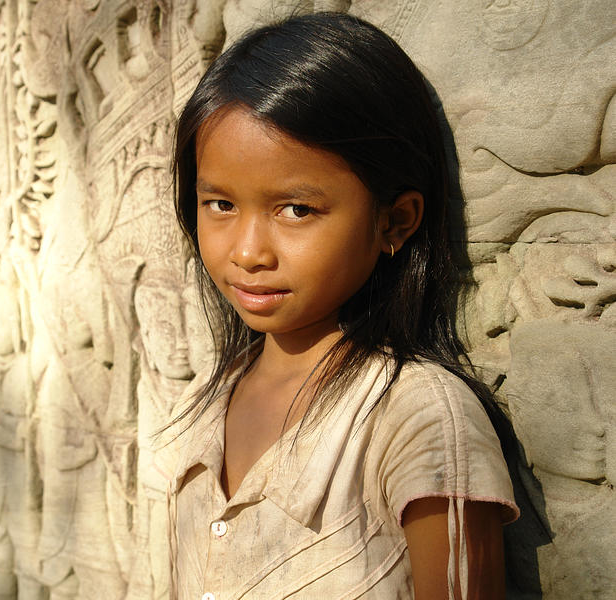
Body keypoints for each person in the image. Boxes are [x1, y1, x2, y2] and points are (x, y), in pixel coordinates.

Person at [162, 12, 520, 600]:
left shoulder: (418, 418)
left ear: (395, 220)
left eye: (297, 210)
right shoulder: (207, 404)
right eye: (220, 204)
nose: (248, 252)